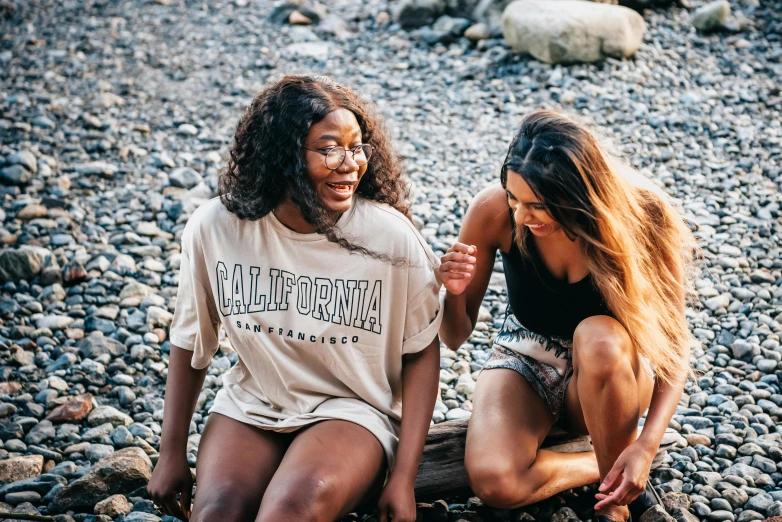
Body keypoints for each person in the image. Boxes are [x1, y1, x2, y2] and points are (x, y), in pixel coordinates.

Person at [148, 75, 443, 522]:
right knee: (217, 514)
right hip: (253, 406)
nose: (349, 163)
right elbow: (190, 341)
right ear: (283, 156)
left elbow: (421, 352)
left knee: (289, 510)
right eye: (329, 149)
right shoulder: (216, 227)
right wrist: (170, 451)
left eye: (356, 146)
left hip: (352, 412)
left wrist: (403, 477)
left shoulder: (389, 237)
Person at [438, 110, 695, 522]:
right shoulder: (492, 211)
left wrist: (647, 444)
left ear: (578, 195)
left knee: (598, 337)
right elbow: (454, 336)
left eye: (537, 205)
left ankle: (614, 507)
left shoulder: (645, 217)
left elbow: (675, 348)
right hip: (524, 360)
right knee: (495, 481)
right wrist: (451, 296)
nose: (520, 216)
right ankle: (605, 464)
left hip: (609, 371)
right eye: (514, 198)